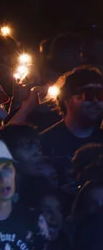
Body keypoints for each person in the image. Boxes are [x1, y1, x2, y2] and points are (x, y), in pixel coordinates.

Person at [36, 66, 103, 195]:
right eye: (88, 95)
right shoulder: (44, 143)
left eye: (100, 95)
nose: (96, 101)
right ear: (66, 100)